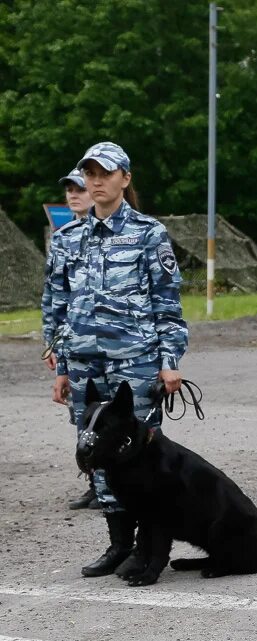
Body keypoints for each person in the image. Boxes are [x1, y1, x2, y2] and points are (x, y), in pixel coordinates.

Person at [50, 142, 188, 577]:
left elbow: (167, 306)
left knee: (141, 455)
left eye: (104, 173)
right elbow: (55, 303)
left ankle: (150, 547)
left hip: (136, 363)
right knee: (96, 450)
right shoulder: (68, 238)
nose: (95, 181)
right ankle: (117, 544)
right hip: (85, 364)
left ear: (124, 179)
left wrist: (169, 361)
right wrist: (60, 366)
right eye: (89, 173)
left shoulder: (149, 233)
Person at [42, 167, 99, 510]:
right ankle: (95, 482)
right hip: (77, 346)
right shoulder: (63, 238)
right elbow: (54, 297)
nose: (74, 194)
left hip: (117, 344)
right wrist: (53, 344)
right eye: (69, 189)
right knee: (82, 415)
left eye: (79, 188)